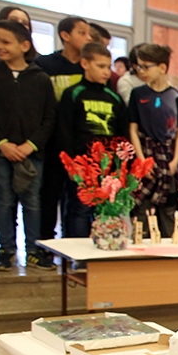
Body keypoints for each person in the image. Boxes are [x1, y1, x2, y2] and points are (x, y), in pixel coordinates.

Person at [0, 20, 56, 271]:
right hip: (0, 151)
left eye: (5, 42)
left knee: (32, 201)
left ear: (24, 45)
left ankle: (33, 250)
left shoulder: (40, 78)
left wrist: (31, 144)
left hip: (31, 152)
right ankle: (6, 249)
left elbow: (49, 117)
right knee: (3, 200)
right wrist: (1, 143)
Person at [57, 42, 128, 239]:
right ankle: (78, 252)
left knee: (105, 210)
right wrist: (72, 165)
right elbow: (64, 131)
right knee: (79, 210)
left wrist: (120, 166)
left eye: (108, 67)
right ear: (85, 64)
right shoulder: (73, 94)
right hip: (82, 165)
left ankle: (102, 247)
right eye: (100, 66)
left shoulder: (114, 98)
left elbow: (123, 135)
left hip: (108, 167)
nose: (106, 72)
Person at [35, 16, 93, 244]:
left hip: (80, 145)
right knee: (49, 195)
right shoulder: (45, 65)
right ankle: (46, 244)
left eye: (89, 33)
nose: (88, 38)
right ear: (65, 36)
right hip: (50, 143)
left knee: (77, 199)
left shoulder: (87, 66)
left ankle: (72, 244)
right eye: (82, 33)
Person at [128, 44, 178, 237]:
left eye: (146, 67)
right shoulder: (137, 94)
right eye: (139, 67)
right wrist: (141, 160)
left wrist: (175, 161)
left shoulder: (177, 97)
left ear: (162, 67)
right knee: (142, 208)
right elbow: (133, 129)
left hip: (167, 157)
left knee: (169, 209)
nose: (142, 71)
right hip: (145, 154)